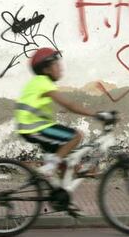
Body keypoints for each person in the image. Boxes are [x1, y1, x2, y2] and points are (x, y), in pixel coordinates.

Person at [15, 47, 112, 177]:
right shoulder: (43, 83)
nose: (60, 67)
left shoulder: (38, 82)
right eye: (56, 64)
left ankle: (58, 191)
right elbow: (69, 105)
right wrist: (96, 114)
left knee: (67, 163)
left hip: (32, 126)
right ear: (46, 69)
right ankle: (50, 167)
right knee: (76, 136)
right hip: (35, 128)